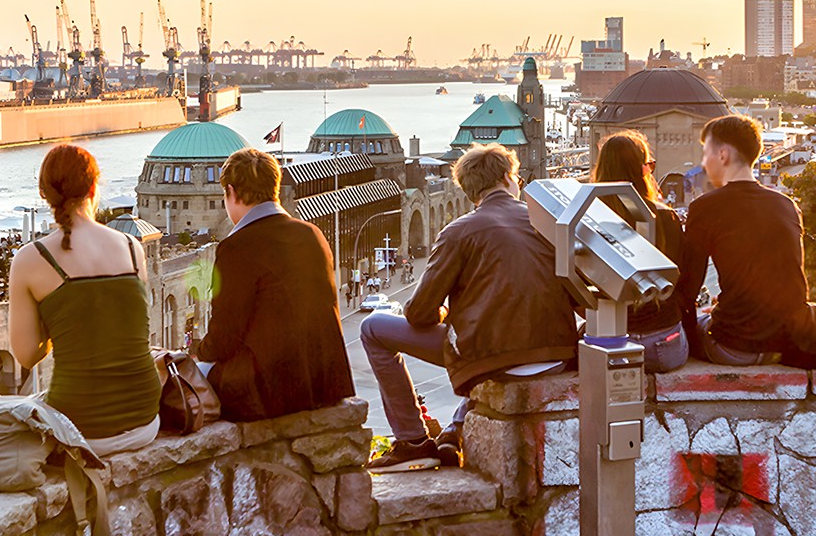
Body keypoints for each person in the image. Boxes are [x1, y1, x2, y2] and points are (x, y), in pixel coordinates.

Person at [363, 144, 579, 472]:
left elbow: (418, 314)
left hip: (492, 359)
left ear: (468, 190)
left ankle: (413, 442)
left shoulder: (458, 232)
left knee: (372, 328)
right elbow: (579, 296)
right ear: (508, 178)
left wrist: (445, 314)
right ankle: (453, 430)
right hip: (556, 356)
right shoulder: (546, 224)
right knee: (485, 341)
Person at [678, 115, 816, 370]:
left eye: (706, 153)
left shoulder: (705, 207)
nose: (704, 162)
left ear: (722, 155)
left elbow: (689, 289)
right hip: (788, 341)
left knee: (698, 326)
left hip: (734, 347)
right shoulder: (786, 205)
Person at [9, 145, 161, 454]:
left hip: (79, 429)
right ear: (94, 187)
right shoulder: (132, 248)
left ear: (44, 194)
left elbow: (27, 356)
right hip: (146, 420)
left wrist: (58, 323)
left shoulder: (30, 259)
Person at [200, 147, 355, 421]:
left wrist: (195, 352)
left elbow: (224, 341)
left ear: (231, 192)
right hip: (325, 383)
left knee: (180, 378)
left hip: (271, 392)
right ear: (275, 189)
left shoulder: (237, 247)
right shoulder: (312, 234)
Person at [591, 130, 688, 372]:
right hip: (663, 343)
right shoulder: (664, 216)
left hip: (608, 342)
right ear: (642, 170)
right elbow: (682, 278)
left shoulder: (587, 217)